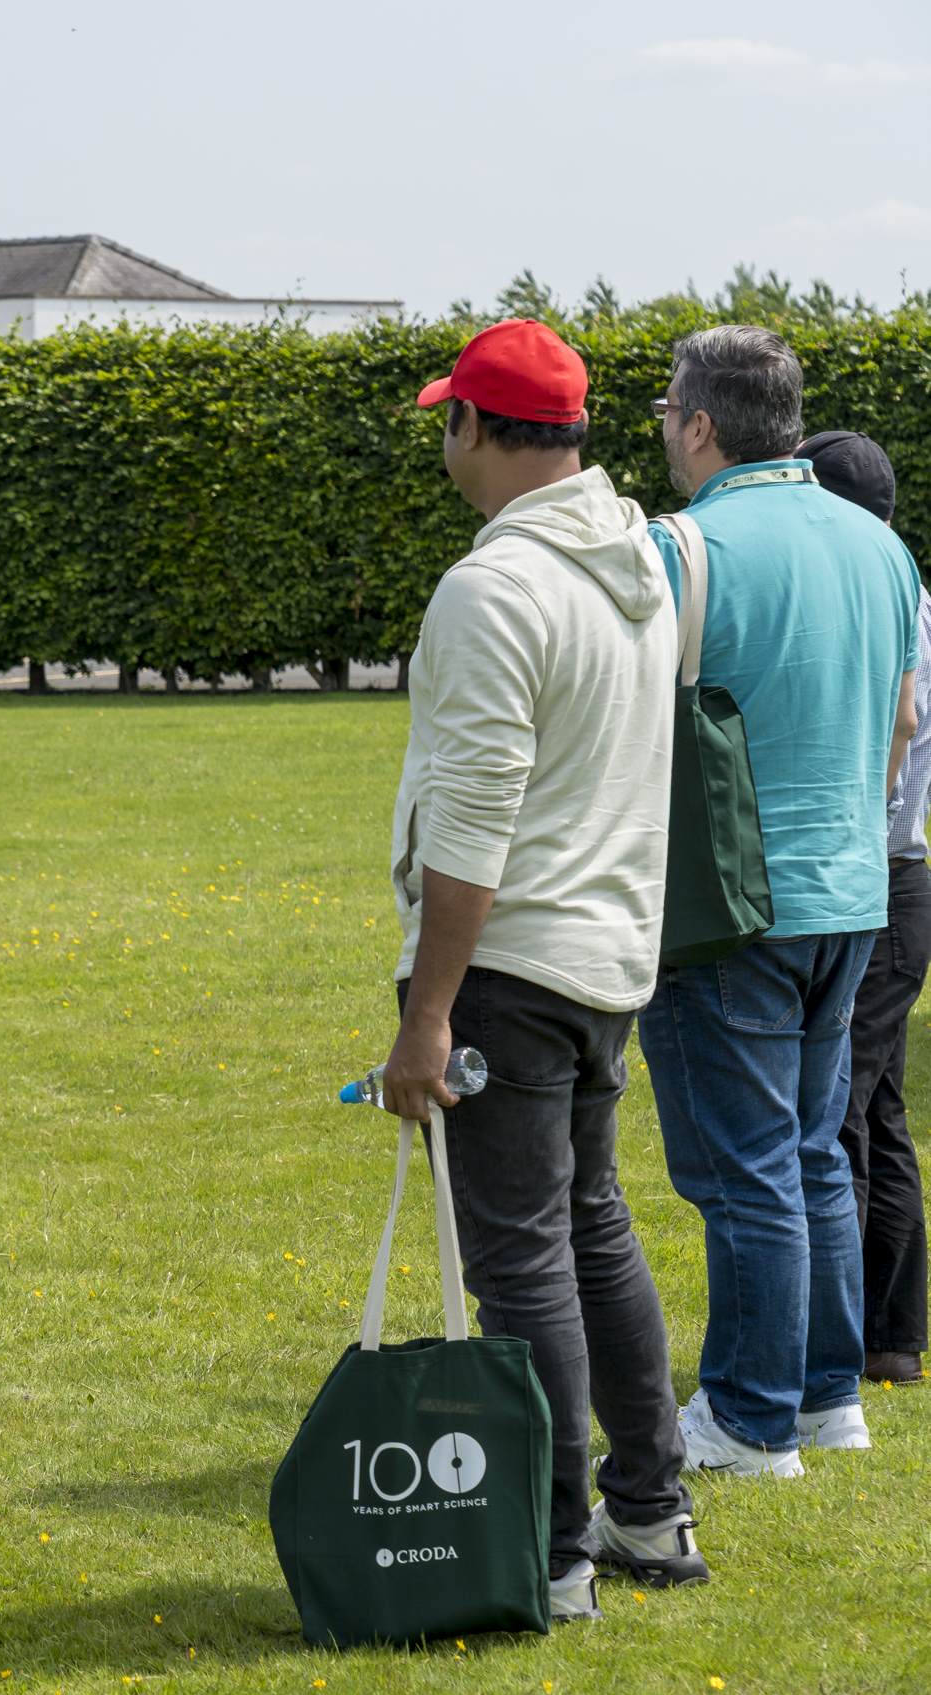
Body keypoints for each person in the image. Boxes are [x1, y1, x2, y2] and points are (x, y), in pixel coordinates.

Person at [378, 318, 701, 1622]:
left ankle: (556, 1550)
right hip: (612, 949)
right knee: (591, 1227)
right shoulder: (646, 562)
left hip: (512, 962)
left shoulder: (493, 589)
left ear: (474, 427)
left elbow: (472, 825)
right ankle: (650, 1508)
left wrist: (428, 1014)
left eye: (448, 417)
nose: (443, 441)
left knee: (521, 1258)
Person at [640, 328, 921, 1477]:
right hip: (857, 888)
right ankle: (824, 1394)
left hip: (731, 901)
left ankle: (753, 1416)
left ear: (703, 424)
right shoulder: (881, 547)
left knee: (746, 1166)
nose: (661, 423)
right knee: (809, 1153)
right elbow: (903, 721)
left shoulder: (682, 547)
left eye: (667, 408)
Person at [801, 430, 931, 1388]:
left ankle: (830, 1354)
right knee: (876, 1112)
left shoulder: (882, 593)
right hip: (903, 873)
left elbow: (903, 722)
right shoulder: (906, 586)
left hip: (881, 873)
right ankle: (892, 1336)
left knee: (837, 1114)